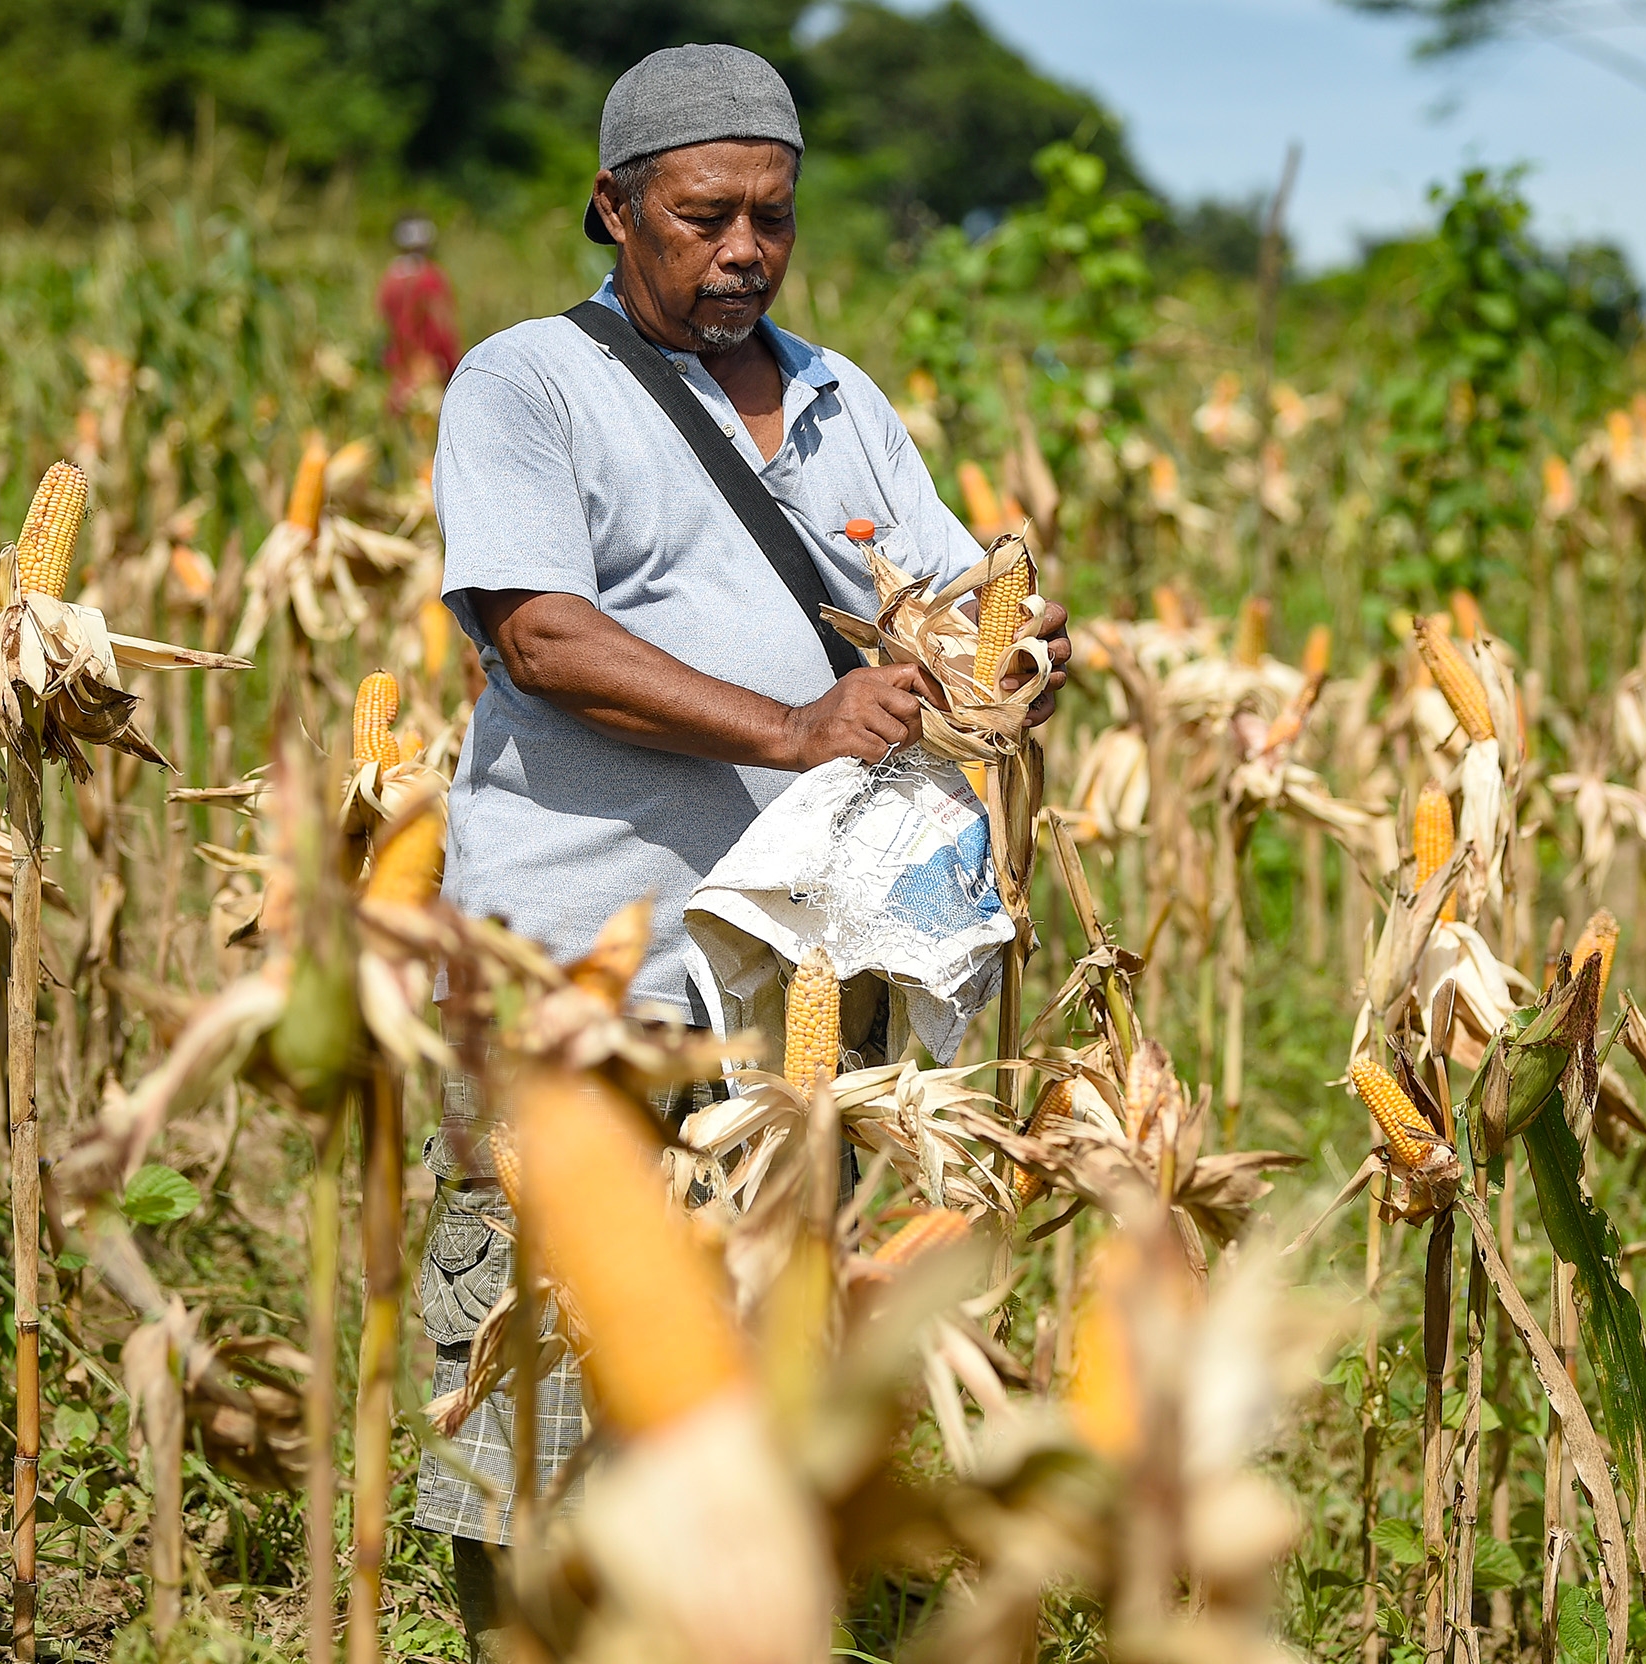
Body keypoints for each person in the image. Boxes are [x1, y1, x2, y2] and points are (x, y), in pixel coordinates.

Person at [412, 42, 1071, 1657]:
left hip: (796, 972)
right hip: (574, 948)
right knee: (525, 1347)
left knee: (760, 1345)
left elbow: (946, 589)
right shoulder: (525, 382)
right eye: (706, 216)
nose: (744, 251)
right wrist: (793, 727)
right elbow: (545, 635)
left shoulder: (845, 400)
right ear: (612, 204)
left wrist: (1019, 644)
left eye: (772, 217)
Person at [379, 215, 461, 409]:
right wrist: (453, 365)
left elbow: (385, 319)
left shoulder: (389, 278)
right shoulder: (431, 277)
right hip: (428, 370)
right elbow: (442, 327)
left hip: (400, 372)